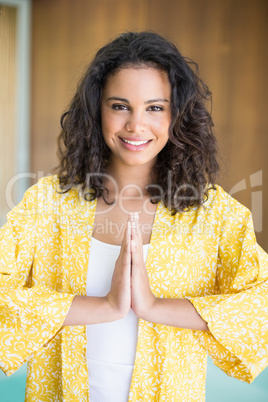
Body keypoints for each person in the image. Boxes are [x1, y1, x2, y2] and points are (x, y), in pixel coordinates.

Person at [0, 31, 268, 402]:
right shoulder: (48, 205)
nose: (136, 125)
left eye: (155, 107)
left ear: (178, 115)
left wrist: (155, 307)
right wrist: (105, 306)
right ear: (97, 110)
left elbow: (261, 304)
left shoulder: (213, 213)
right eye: (120, 106)